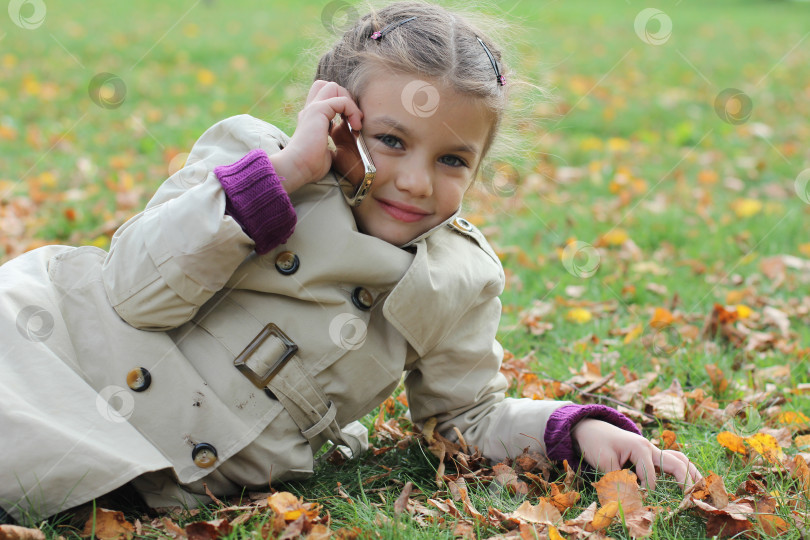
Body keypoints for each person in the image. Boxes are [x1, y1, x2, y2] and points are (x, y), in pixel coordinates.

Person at [0, 0, 701, 524]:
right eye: (392, 140)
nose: (416, 182)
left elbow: (469, 413)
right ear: (335, 116)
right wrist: (285, 172)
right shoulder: (254, 162)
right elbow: (134, 291)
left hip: (162, 462)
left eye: (452, 159)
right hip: (57, 350)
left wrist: (575, 429)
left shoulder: (458, 276)